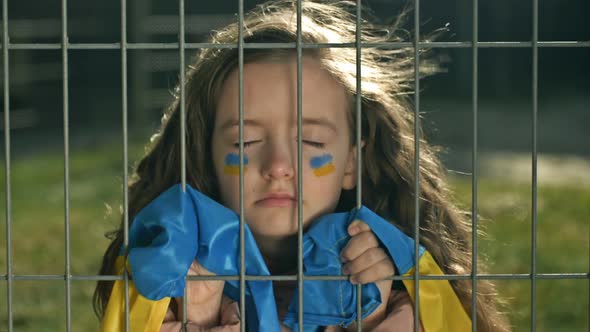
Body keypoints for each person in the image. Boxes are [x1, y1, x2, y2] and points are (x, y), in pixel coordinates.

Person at [94, 1, 509, 331]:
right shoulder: (161, 281)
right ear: (207, 156)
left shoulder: (398, 287)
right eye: (246, 142)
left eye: (311, 142)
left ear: (352, 161)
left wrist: (372, 317)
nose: (278, 166)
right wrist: (198, 320)